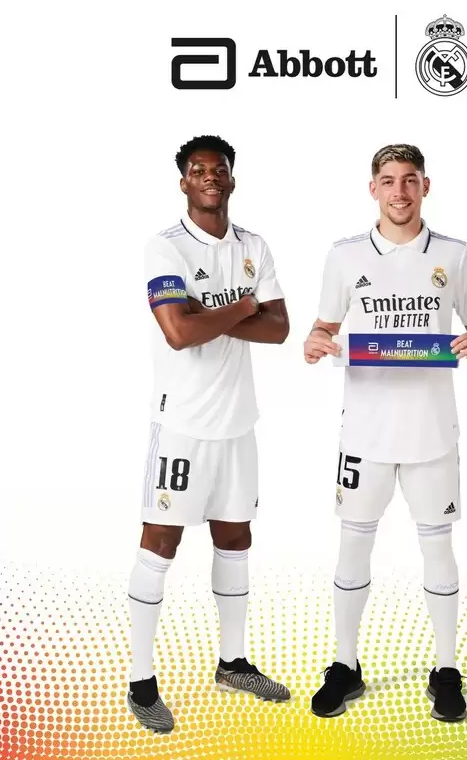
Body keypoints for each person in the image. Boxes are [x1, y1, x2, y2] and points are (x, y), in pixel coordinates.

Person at [301, 143, 467, 722]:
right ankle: (345, 666)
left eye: (410, 180)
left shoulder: (454, 255)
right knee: (353, 545)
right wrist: (315, 342)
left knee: (438, 545)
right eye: (388, 180)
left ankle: (446, 670)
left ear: (425, 186)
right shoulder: (345, 255)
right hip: (365, 433)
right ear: (373, 189)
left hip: (432, 432)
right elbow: (323, 327)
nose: (400, 191)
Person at [126, 135, 292, 734]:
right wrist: (243, 307)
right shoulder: (165, 247)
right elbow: (178, 333)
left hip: (237, 424)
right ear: (184, 183)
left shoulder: (253, 246)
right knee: (160, 543)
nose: (210, 177)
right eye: (198, 170)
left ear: (232, 179)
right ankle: (141, 681)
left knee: (236, 537)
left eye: (218, 169)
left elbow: (279, 329)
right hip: (182, 426)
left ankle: (233, 663)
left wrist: (209, 315)